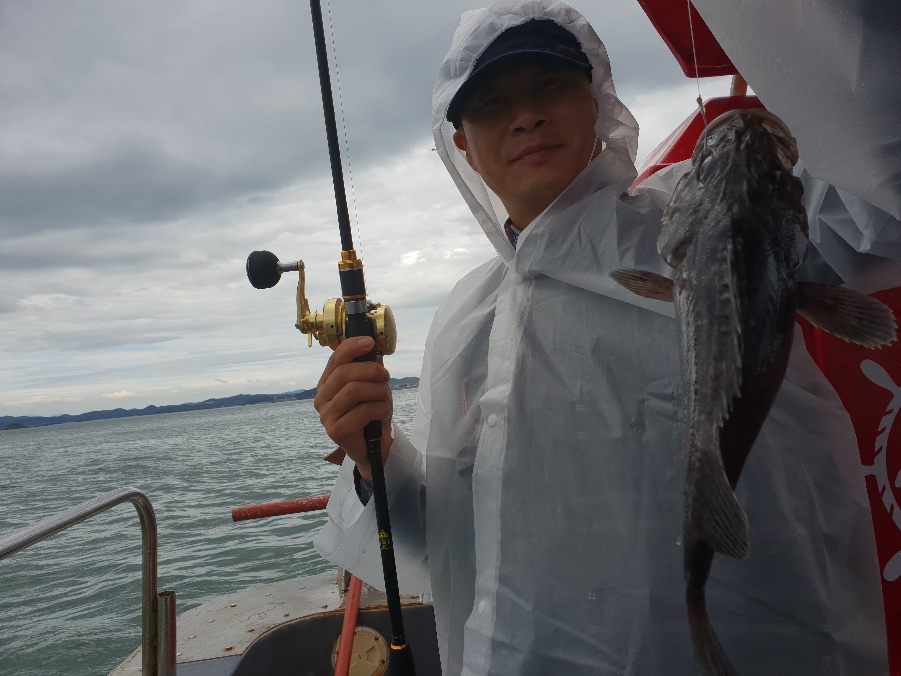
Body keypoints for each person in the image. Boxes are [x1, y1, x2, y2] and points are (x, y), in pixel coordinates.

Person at [313, 1, 900, 674]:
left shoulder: (705, 216)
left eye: (550, 84)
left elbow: (879, 189)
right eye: (493, 103)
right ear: (463, 145)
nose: (527, 116)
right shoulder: (463, 318)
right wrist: (376, 459)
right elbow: (446, 542)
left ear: (596, 103)